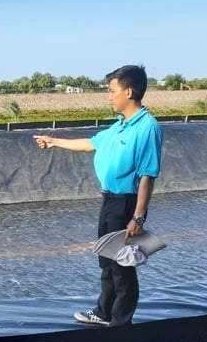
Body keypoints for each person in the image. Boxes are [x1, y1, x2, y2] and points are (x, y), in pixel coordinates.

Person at [34, 65, 163, 327]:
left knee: (122, 266)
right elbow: (89, 144)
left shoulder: (147, 127)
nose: (109, 96)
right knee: (106, 259)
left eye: (111, 91)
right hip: (109, 201)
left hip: (126, 203)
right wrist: (54, 141)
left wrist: (138, 218)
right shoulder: (118, 127)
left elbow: (148, 176)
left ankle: (120, 324)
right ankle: (104, 313)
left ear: (128, 92)